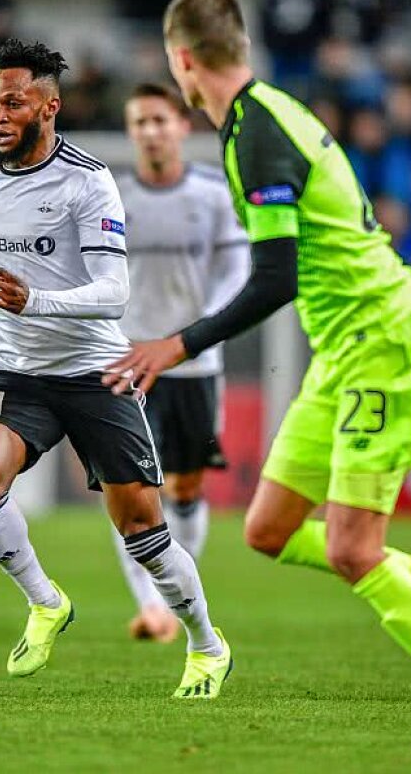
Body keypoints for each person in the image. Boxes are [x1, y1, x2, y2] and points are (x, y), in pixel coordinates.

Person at [105, 0, 411, 749]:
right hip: (343, 346)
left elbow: (275, 279)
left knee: (352, 549)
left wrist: (177, 343)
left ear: (183, 59)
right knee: (268, 529)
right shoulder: (268, 113)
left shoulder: (257, 136)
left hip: (384, 336)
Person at [0, 39, 232, 698]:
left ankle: (206, 644)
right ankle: (46, 601)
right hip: (14, 367)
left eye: (13, 103)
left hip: (94, 370)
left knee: (142, 529)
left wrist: (36, 300)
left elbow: (114, 293)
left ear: (49, 108)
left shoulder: (88, 181)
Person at [113, 82, 249, 642]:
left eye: (159, 120)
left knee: (186, 488)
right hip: (127, 363)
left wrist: (194, 335)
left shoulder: (214, 193)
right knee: (131, 488)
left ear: (182, 127)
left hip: (194, 363)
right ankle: (153, 606)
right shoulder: (112, 196)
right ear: (131, 132)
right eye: (140, 122)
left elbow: (236, 273)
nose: (150, 131)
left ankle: (177, 593)